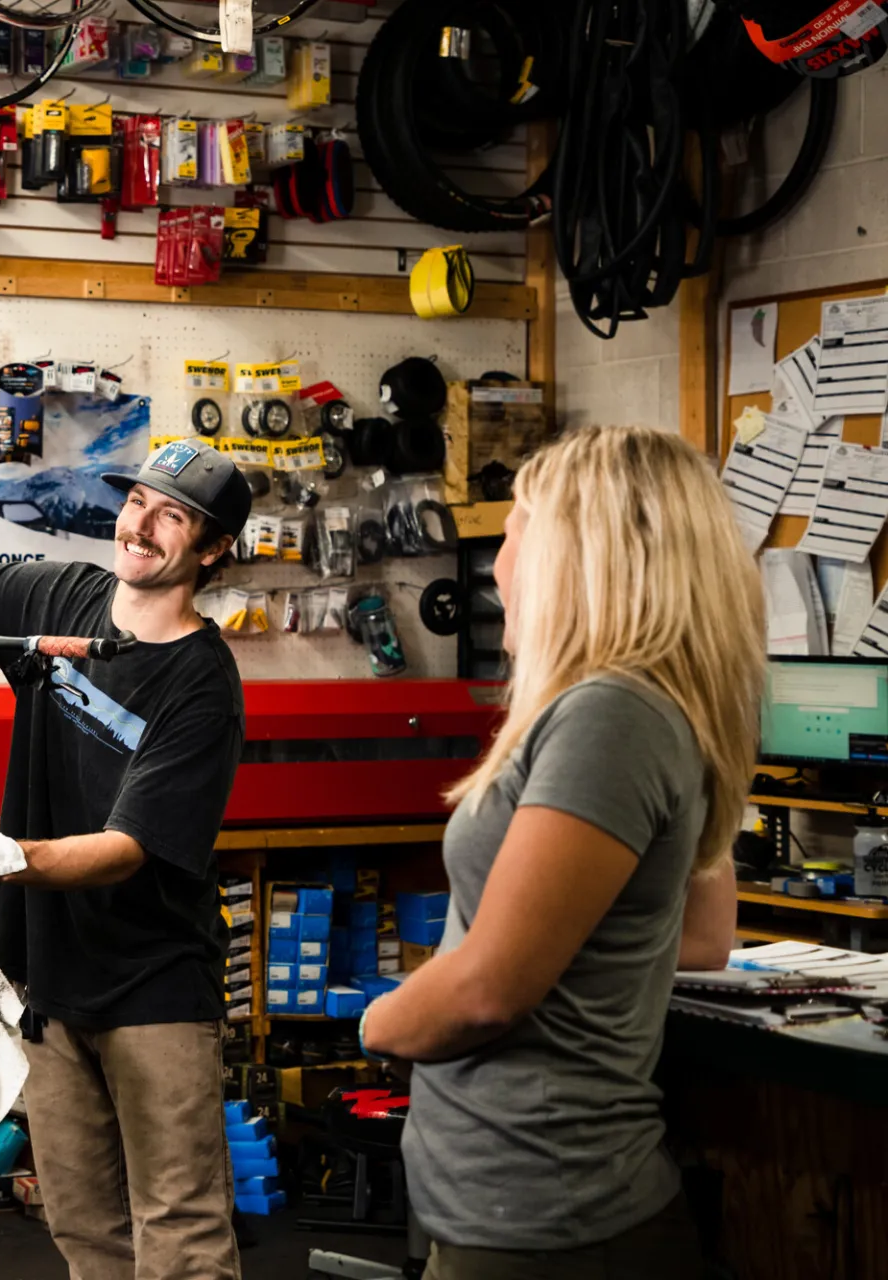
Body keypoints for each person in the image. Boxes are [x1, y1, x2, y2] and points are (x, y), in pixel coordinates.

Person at [359, 425, 762, 1279]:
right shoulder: (647, 707)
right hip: (525, 1206)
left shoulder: (609, 718)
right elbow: (696, 939)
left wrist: (378, 1021)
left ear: (585, 555)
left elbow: (487, 992)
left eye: (517, 529)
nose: (498, 561)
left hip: (542, 1216)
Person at [0, 439, 252, 1280]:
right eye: (138, 502)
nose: (141, 526)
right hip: (50, 987)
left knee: (180, 1235)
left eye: (172, 516)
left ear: (211, 550)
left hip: (155, 989)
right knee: (83, 1228)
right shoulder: (67, 595)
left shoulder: (202, 686)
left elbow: (123, 852)